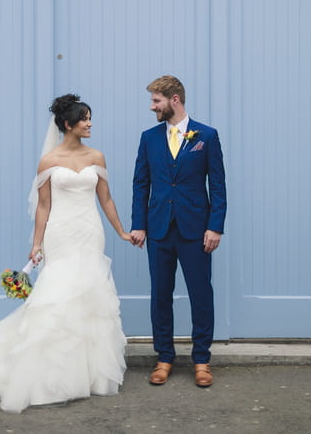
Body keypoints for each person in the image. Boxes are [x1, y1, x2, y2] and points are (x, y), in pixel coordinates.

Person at [0, 94, 131, 413]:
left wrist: (121, 231)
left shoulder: (97, 156)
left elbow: (106, 200)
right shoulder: (49, 161)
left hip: (91, 232)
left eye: (90, 117)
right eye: (84, 118)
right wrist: (37, 244)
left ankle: (88, 375)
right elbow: (44, 205)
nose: (90, 123)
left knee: (88, 297)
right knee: (57, 296)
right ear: (68, 124)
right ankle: (48, 376)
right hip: (61, 234)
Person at [130, 75, 226, 388]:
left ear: (174, 100)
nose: (151, 106)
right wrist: (139, 223)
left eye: (156, 101)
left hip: (196, 230)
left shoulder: (206, 136)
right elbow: (141, 183)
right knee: (160, 296)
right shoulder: (149, 137)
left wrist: (215, 226)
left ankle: (201, 359)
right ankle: (164, 357)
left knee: (201, 294)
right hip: (158, 229)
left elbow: (218, 186)